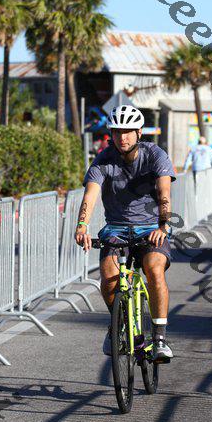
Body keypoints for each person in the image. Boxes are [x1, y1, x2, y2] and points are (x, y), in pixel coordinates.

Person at [74, 105, 176, 362]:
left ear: (139, 132)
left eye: (128, 131)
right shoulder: (103, 160)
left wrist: (163, 226)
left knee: (154, 269)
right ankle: (118, 323)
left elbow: (164, 193)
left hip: (151, 228)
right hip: (116, 229)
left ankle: (159, 338)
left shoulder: (155, 155)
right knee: (109, 279)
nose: (123, 137)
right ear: (112, 134)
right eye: (118, 132)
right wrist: (82, 225)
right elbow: (90, 195)